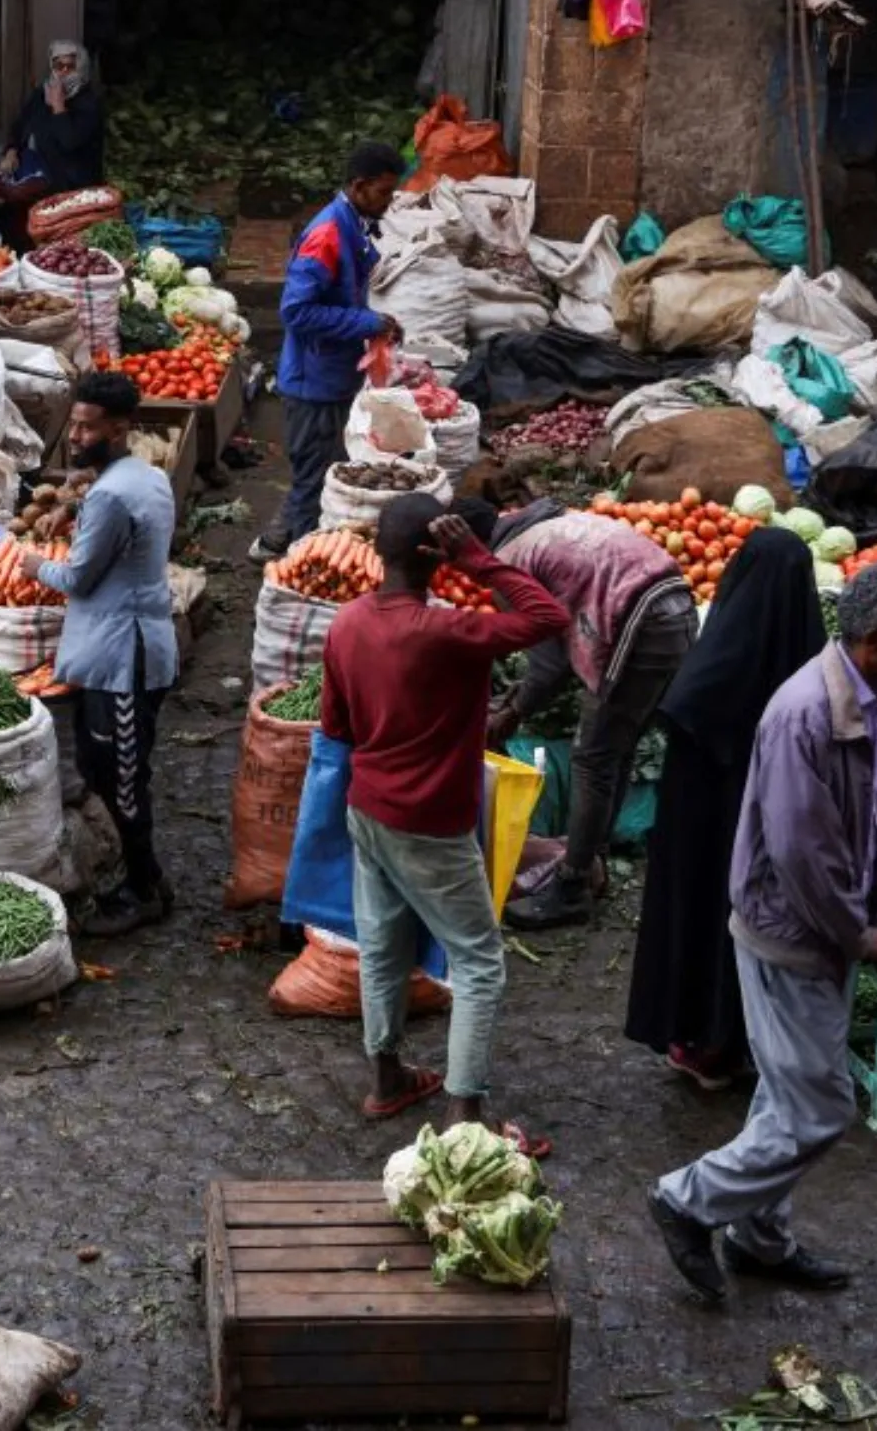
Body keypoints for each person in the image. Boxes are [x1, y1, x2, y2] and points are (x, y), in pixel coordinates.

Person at [647, 562, 877, 1302]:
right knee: (821, 1107)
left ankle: (759, 1237)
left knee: (786, 1093)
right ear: (876, 638)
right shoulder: (803, 714)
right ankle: (689, 1198)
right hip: (791, 936)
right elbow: (804, 856)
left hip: (830, 934)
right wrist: (861, 934)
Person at [319, 494, 570, 1130]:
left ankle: (386, 1078)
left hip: (369, 808)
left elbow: (336, 725)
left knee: (381, 944)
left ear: (376, 550)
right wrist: (480, 559)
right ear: (439, 557)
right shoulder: (450, 632)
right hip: (431, 822)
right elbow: (548, 616)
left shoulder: (347, 623)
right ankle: (466, 1113)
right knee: (480, 961)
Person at [624, 528, 830, 1089]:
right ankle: (729, 1040)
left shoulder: (712, 663)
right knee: (739, 928)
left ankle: (700, 1039)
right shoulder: (805, 665)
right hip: (761, 826)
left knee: (697, 919)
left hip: (701, 824)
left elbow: (688, 715)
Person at [485, 481, 699, 930]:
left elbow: (549, 662)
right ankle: (590, 862)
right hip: (676, 608)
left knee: (592, 756)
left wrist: (512, 710)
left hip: (643, 622)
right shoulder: (551, 525)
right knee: (613, 749)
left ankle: (570, 887)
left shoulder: (507, 565)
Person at [20, 372, 178, 936]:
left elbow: (81, 578)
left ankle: (144, 889)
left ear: (118, 428)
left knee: (122, 775)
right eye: (76, 424)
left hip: (124, 659)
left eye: (88, 428)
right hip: (117, 648)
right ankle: (149, 878)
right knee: (98, 764)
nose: (77, 435)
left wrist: (36, 565)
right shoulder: (144, 476)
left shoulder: (112, 494)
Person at [249, 143, 404, 561]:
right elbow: (296, 311)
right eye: (384, 193)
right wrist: (365, 323)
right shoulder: (327, 235)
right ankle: (298, 560)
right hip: (313, 380)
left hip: (332, 372)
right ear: (358, 186)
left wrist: (377, 322)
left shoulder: (352, 224)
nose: (388, 202)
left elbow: (342, 298)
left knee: (323, 467)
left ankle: (276, 542)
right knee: (315, 475)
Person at [0, 42, 106, 239]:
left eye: (70, 66)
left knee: (28, 201)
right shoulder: (41, 94)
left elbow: (69, 141)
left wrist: (58, 106)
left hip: (68, 183)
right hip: (35, 169)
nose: (64, 72)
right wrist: (11, 152)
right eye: (58, 66)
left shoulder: (88, 103)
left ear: (80, 67)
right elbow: (20, 127)